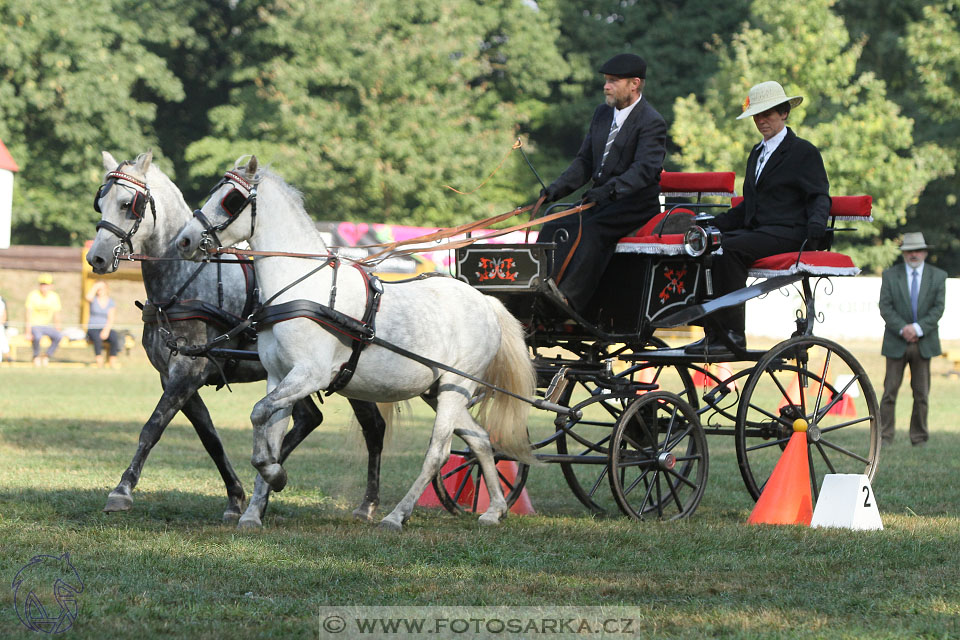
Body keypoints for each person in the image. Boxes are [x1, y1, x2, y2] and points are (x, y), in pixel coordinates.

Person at [685, 80, 831, 355]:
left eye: (768, 114)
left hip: (790, 232)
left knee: (728, 249)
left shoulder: (803, 152)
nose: (761, 121)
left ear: (784, 113)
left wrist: (816, 227)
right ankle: (712, 332)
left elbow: (819, 195)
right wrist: (712, 224)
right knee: (709, 243)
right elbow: (748, 207)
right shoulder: (756, 153)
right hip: (761, 232)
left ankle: (733, 335)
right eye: (757, 115)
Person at [537, 52, 666, 313]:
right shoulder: (601, 115)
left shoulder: (651, 121)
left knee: (591, 231)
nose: (606, 86)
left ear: (634, 83)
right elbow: (584, 161)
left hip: (634, 205)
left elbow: (644, 170)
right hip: (602, 201)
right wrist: (555, 189)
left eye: (613, 81)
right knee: (555, 225)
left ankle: (568, 302)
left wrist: (610, 190)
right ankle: (539, 289)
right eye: (606, 80)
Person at [878, 232, 947, 447]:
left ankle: (919, 438)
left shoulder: (939, 276)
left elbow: (938, 309)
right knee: (889, 392)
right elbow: (885, 307)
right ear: (904, 254)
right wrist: (903, 329)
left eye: (917, 250)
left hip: (924, 343)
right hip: (896, 341)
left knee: (921, 394)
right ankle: (884, 437)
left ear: (925, 252)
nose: (914, 254)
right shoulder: (890, 275)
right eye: (910, 251)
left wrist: (917, 329)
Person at [25, 273, 63, 366]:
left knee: (59, 336)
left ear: (51, 286)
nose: (44, 287)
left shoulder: (54, 296)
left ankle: (46, 356)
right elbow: (28, 315)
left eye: (46, 285)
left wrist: (58, 328)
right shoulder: (33, 295)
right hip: (35, 325)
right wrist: (28, 331)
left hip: (47, 325)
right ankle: (36, 356)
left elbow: (56, 314)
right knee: (37, 337)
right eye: (42, 284)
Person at [85, 280, 123, 368]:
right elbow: (87, 297)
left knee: (114, 337)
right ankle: (99, 359)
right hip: (93, 327)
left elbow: (111, 318)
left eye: (102, 288)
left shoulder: (110, 302)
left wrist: (106, 330)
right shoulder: (93, 300)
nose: (100, 290)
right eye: (99, 289)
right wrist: (95, 286)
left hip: (106, 327)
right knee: (96, 338)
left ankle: (112, 360)